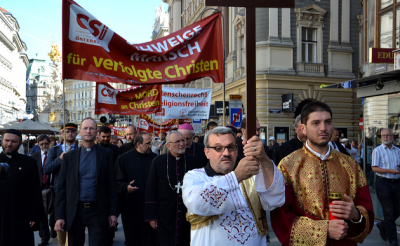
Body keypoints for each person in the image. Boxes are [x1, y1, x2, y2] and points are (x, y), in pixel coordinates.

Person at [271, 101, 374, 245]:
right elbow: (280, 217)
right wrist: (323, 230)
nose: (323, 128)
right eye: (316, 123)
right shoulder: (288, 165)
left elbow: (366, 209)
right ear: (303, 128)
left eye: (328, 122)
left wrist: (356, 215)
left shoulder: (350, 165)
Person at [183, 127, 285, 246]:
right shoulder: (195, 177)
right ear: (207, 152)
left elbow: (276, 199)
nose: (226, 153)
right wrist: (235, 176)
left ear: (237, 150)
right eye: (218, 148)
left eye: (230, 147)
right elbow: (197, 202)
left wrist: (263, 158)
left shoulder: (251, 177)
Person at [55, 118, 118, 245]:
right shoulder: (69, 157)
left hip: (98, 211)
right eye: (85, 128)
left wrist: (113, 212)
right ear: (80, 131)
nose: (88, 131)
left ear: (97, 132)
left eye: (91, 128)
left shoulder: (107, 155)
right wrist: (59, 216)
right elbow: (61, 188)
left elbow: (112, 185)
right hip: (75, 211)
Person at [145, 130, 199, 246]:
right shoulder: (158, 162)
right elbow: (151, 189)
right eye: (177, 141)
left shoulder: (193, 162)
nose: (182, 144)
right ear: (168, 145)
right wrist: (152, 216)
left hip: (187, 215)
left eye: (183, 140)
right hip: (165, 214)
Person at [0, 129, 46, 246]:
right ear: (1, 140)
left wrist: (35, 215)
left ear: (20, 144)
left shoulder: (29, 162)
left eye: (14, 142)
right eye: (7, 140)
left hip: (22, 215)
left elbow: (35, 189)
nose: (9, 144)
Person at [116, 132, 158, 246]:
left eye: (151, 143)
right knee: (134, 240)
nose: (151, 146)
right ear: (138, 144)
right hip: (132, 208)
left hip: (151, 208)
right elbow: (117, 182)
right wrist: (126, 187)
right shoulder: (123, 159)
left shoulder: (155, 159)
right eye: (148, 143)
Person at [44, 123, 79, 246]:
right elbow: (47, 169)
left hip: (76, 192)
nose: (70, 134)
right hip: (59, 191)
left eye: (72, 131)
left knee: (74, 222)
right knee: (59, 220)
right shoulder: (54, 150)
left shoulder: (80, 150)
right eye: (67, 132)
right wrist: (59, 159)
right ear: (62, 134)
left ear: (76, 133)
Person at [372, 128, 400, 246]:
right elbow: (374, 168)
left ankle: (383, 225)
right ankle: (393, 240)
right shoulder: (377, 151)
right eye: (383, 135)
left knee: (397, 209)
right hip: (383, 183)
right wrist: (390, 171)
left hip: (397, 183)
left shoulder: (398, 150)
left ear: (393, 137)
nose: (386, 137)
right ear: (381, 137)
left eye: (388, 135)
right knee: (388, 211)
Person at [31, 134, 56, 246]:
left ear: (50, 143)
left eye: (46, 143)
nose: (44, 146)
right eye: (41, 144)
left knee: (54, 212)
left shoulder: (55, 154)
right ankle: (44, 237)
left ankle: (53, 227)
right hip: (40, 188)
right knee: (42, 214)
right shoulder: (34, 156)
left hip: (53, 187)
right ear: (38, 144)